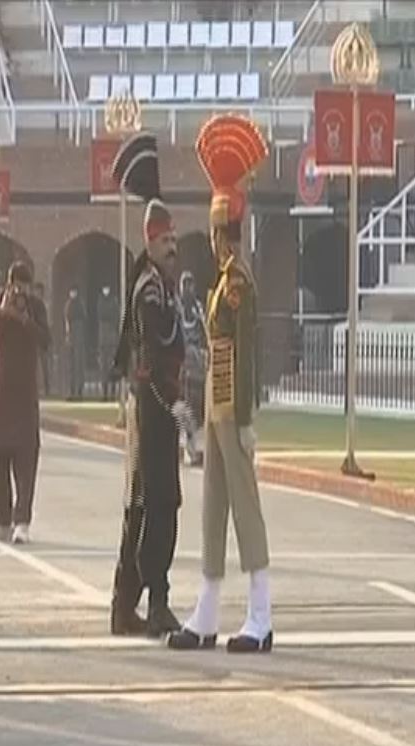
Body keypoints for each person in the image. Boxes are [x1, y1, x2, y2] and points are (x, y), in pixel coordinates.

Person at [169, 114, 273, 653]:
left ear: (222, 232)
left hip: (234, 403)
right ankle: (207, 606)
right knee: (212, 503)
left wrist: (249, 420)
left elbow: (247, 355)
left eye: (216, 232)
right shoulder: (221, 286)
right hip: (215, 398)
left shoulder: (239, 286)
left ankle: (261, 610)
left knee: (244, 504)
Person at [108, 132, 186, 639]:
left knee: (146, 505)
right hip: (154, 410)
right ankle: (152, 601)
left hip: (154, 409)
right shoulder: (150, 291)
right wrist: (176, 405)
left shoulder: (160, 286)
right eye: (165, 242)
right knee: (157, 506)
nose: (173, 248)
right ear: (150, 242)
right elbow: (156, 356)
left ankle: (127, 603)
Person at [0, 262, 50, 545]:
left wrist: (24, 320)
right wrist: (2, 313)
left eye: (24, 285)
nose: (19, 291)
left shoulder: (35, 307)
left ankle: (22, 521)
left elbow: (46, 339)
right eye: (15, 284)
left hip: (25, 395)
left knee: (26, 460)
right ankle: (3, 520)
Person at [180, 269, 207, 466]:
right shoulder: (177, 307)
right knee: (185, 404)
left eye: (191, 285)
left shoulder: (197, 307)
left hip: (197, 361)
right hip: (181, 363)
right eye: (185, 285)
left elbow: (205, 329)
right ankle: (190, 448)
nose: (188, 289)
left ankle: (195, 445)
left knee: (199, 404)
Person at [98, 285, 119, 402]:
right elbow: (101, 315)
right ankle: (105, 392)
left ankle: (112, 392)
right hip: (103, 339)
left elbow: (115, 316)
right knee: (103, 367)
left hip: (111, 338)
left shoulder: (114, 301)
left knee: (111, 366)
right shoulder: (100, 302)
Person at [66, 286, 86, 400]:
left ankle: (79, 391)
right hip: (72, 337)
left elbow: (82, 319)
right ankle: (72, 390)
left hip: (78, 337)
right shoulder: (68, 305)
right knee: (72, 365)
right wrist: (68, 335)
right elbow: (67, 321)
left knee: (78, 365)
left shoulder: (80, 305)